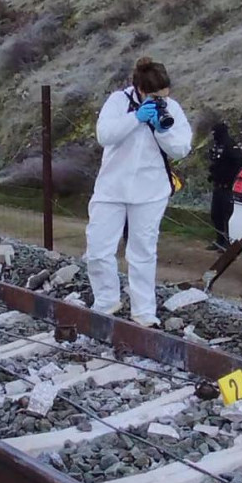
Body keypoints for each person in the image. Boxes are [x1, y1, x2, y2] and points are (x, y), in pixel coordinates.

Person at [85, 57, 194, 327]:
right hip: (112, 187)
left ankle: (144, 312)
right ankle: (106, 300)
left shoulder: (172, 108)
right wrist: (136, 118)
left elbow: (181, 148)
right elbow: (105, 135)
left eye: (165, 96)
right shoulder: (117, 102)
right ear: (141, 90)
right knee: (98, 248)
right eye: (156, 96)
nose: (162, 101)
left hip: (150, 190)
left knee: (142, 252)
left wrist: (161, 129)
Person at [206, 122, 242, 250]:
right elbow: (217, 163)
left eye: (215, 133)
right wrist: (213, 173)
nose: (213, 136)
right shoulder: (218, 145)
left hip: (228, 187)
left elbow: (240, 163)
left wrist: (230, 177)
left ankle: (228, 243)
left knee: (227, 215)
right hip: (218, 186)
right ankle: (219, 241)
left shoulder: (230, 145)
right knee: (216, 215)